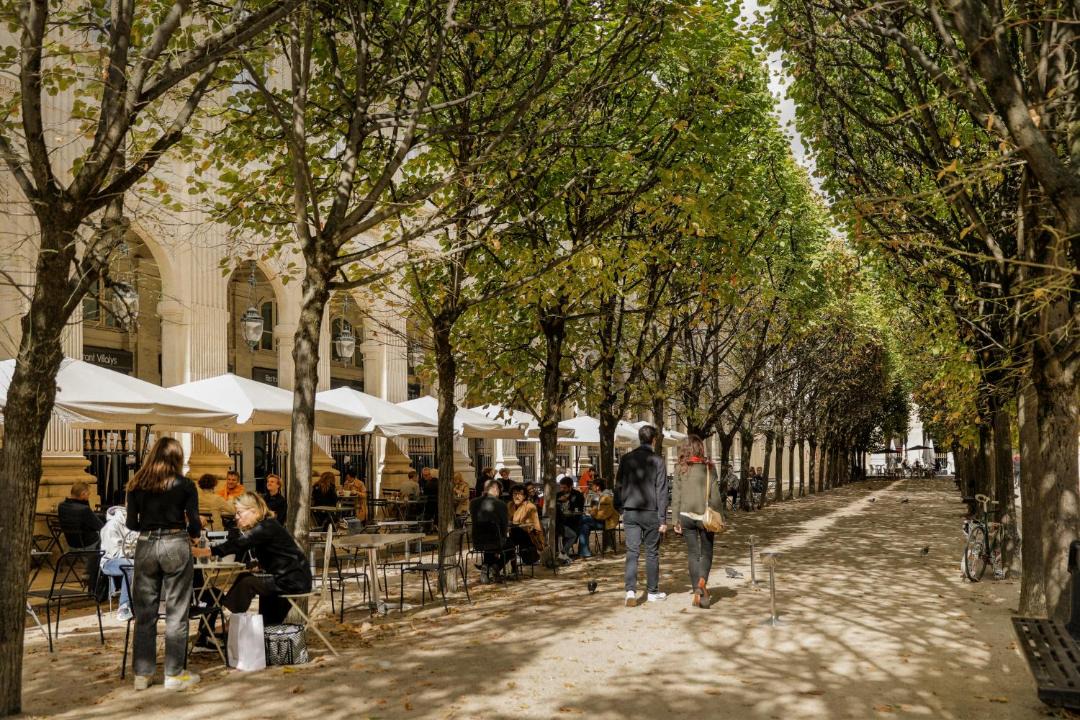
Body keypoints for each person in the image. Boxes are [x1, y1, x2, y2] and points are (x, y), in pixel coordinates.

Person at [125, 436, 201, 691]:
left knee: (144, 612)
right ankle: (173, 673)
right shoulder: (186, 485)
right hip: (175, 542)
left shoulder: (136, 484)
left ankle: (142, 675)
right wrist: (193, 533)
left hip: (146, 544)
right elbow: (195, 523)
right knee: (176, 611)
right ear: (177, 458)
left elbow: (131, 524)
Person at [193, 492, 311, 626]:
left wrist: (207, 552)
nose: (236, 517)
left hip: (292, 581)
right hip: (290, 578)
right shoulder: (267, 525)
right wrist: (259, 564)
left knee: (247, 582)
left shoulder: (266, 527)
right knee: (246, 577)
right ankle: (231, 621)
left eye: (239, 512)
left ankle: (227, 620)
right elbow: (278, 554)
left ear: (254, 511)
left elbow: (240, 543)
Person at [615, 424, 669, 606]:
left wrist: (620, 507)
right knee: (652, 553)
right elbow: (661, 491)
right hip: (650, 512)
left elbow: (619, 485)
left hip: (630, 511)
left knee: (632, 552)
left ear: (640, 438)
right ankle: (652, 591)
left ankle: (630, 591)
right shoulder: (658, 461)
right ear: (654, 440)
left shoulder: (626, 458)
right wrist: (663, 518)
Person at [672, 435, 724, 609]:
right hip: (705, 517)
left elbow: (676, 496)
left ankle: (698, 592)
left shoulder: (680, 468)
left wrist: (675, 519)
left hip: (686, 516)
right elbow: (715, 496)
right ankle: (702, 582)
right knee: (707, 552)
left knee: (693, 554)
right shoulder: (709, 468)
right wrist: (721, 517)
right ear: (701, 449)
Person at [99, 505, 137, 621]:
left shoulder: (135, 524)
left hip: (131, 558)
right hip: (110, 561)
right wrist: (135, 550)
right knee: (130, 566)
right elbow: (114, 552)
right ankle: (124, 606)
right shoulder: (111, 526)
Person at [469, 479, 510, 582]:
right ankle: (494, 567)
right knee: (511, 547)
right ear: (495, 489)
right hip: (495, 540)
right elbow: (504, 524)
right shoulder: (500, 504)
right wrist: (504, 537)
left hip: (477, 541)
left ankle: (485, 567)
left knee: (490, 547)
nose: (499, 492)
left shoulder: (473, 503)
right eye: (499, 490)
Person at [577, 478, 618, 557]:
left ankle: (573, 540)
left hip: (606, 523)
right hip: (599, 521)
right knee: (584, 526)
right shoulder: (598, 496)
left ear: (598, 487)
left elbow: (602, 515)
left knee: (581, 519)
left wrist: (591, 513)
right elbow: (595, 511)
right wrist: (591, 512)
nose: (591, 487)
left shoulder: (606, 497)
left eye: (593, 486)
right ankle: (585, 552)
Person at [57, 481, 104, 550]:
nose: (88, 497)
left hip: (71, 544)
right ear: (83, 494)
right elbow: (100, 526)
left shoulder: (61, 506)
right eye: (88, 494)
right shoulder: (84, 509)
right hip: (88, 544)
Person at [507, 484, 544, 565]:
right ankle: (493, 566)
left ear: (524, 496)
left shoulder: (530, 506)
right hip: (514, 534)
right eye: (514, 494)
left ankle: (496, 566)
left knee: (508, 545)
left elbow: (533, 525)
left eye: (519, 494)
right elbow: (507, 520)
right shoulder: (510, 505)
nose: (517, 496)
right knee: (505, 544)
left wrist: (515, 524)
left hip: (528, 535)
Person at [555, 477, 585, 559]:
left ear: (570, 486)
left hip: (573, 520)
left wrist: (569, 501)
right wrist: (559, 502)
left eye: (564, 487)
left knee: (575, 531)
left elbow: (579, 509)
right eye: (561, 487)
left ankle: (564, 553)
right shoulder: (558, 495)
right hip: (560, 521)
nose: (562, 489)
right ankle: (563, 553)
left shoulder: (578, 495)